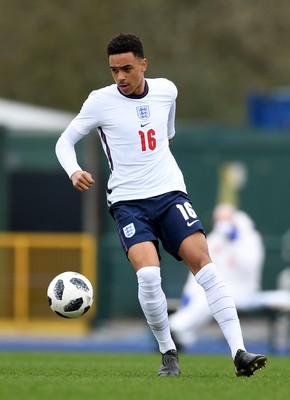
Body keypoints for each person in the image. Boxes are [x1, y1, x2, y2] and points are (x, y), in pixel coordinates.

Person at [55, 33, 267, 377]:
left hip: (170, 195)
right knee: (150, 276)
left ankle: (239, 353)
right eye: (114, 70)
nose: (120, 77)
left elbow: (165, 135)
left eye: (126, 68)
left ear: (143, 64)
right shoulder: (99, 101)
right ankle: (169, 353)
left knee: (207, 268)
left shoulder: (167, 90)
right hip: (127, 202)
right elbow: (64, 142)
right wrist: (74, 170)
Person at [169, 203, 265, 349]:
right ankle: (181, 336)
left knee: (211, 298)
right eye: (219, 220)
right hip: (218, 286)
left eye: (226, 219)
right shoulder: (214, 239)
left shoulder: (250, 239)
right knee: (205, 296)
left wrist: (233, 242)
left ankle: (176, 327)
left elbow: (249, 267)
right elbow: (200, 267)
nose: (222, 224)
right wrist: (188, 293)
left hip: (242, 289)